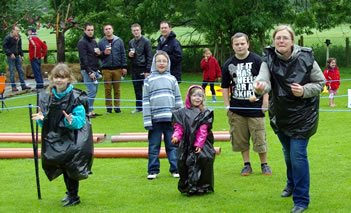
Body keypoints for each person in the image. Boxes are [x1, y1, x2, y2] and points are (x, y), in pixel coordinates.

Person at [253, 25, 325, 213]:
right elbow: (263, 80)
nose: (281, 41)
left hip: (304, 115)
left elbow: (320, 83)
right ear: (274, 41)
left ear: (292, 41)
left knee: (298, 155)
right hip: (281, 114)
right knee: (287, 152)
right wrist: (259, 87)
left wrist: (304, 91)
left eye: (285, 38)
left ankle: (301, 200)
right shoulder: (268, 58)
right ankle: (291, 184)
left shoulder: (307, 58)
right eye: (278, 38)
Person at [32, 63, 93, 207]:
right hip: (56, 138)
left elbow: (80, 121)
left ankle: (74, 196)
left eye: (63, 77)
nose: (59, 80)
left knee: (71, 166)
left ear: (69, 79)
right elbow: (47, 121)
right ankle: (69, 192)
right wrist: (42, 120)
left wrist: (70, 121)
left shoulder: (76, 97)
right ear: (52, 78)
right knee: (61, 165)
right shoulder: (48, 97)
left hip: (73, 138)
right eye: (57, 77)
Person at [221, 32, 271, 176]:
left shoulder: (257, 61)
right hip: (237, 108)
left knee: (259, 137)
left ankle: (264, 164)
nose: (240, 46)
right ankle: (246, 164)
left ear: (248, 44)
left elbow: (265, 82)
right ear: (233, 46)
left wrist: (265, 102)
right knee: (241, 139)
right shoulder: (228, 64)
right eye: (237, 44)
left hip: (256, 108)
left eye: (242, 43)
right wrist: (227, 106)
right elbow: (225, 86)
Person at [143, 50, 183, 180]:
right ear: (154, 63)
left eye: (164, 61)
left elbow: (178, 99)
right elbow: (145, 102)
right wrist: (147, 120)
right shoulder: (148, 80)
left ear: (168, 63)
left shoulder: (172, 79)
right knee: (154, 146)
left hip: (170, 120)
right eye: (159, 61)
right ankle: (153, 170)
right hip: (155, 120)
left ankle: (175, 169)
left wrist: (180, 118)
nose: (161, 63)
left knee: (172, 145)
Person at [172, 85, 215, 196]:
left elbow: (203, 130)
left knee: (204, 160)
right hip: (186, 144)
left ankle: (202, 186)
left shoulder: (205, 113)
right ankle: (188, 186)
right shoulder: (181, 113)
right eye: (194, 95)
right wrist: (176, 136)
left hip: (202, 143)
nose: (197, 98)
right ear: (189, 97)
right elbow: (179, 127)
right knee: (185, 163)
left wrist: (199, 144)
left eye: (200, 96)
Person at [98, 24, 127, 114]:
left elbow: (123, 54)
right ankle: (109, 108)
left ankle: (117, 107)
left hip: (117, 68)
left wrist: (124, 66)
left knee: (117, 89)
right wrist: (104, 53)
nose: (108, 30)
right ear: (104, 31)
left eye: (109, 29)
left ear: (112, 30)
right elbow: (98, 55)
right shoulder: (101, 42)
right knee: (107, 89)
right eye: (106, 29)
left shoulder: (119, 41)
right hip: (106, 69)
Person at [128, 23, 152, 113]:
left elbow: (150, 56)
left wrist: (148, 70)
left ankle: (148, 107)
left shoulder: (146, 41)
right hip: (134, 68)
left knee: (146, 89)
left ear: (140, 30)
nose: (136, 32)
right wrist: (130, 55)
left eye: (137, 30)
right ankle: (139, 107)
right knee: (137, 88)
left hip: (144, 68)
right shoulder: (131, 42)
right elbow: (129, 55)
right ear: (132, 32)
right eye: (134, 30)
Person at [78, 23, 101, 118]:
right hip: (87, 70)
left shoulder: (93, 41)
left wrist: (100, 53)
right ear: (84, 30)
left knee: (94, 91)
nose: (91, 32)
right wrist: (89, 71)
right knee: (91, 91)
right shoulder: (82, 42)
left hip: (95, 68)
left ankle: (91, 109)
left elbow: (96, 54)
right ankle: (87, 111)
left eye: (92, 30)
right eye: (89, 30)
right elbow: (83, 58)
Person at [2, 26, 31, 92]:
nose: (18, 32)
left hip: (17, 56)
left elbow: (19, 47)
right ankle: (13, 86)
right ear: (13, 30)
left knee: (21, 71)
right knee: (12, 71)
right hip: (11, 57)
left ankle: (23, 85)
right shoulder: (8, 38)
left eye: (18, 30)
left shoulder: (19, 38)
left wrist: (22, 55)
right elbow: (4, 47)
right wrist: (10, 53)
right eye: (17, 30)